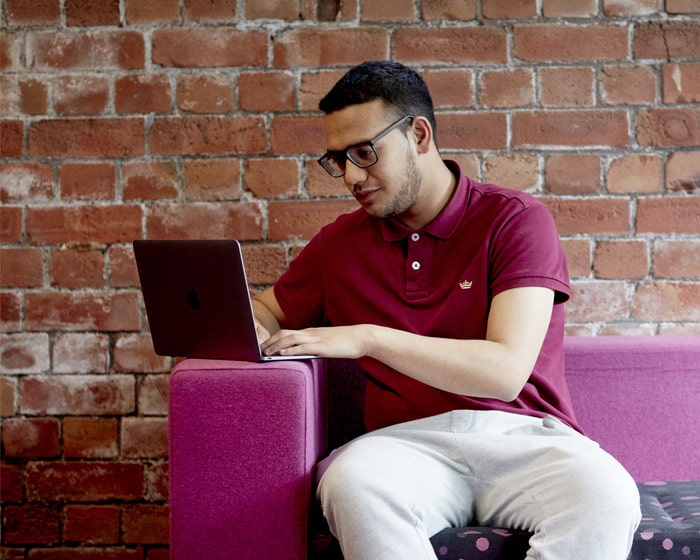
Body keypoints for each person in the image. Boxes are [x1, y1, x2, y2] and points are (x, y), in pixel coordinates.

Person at [252, 61, 641, 560]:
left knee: (606, 494)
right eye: (337, 160)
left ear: (418, 135)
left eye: (364, 153)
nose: (350, 175)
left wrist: (368, 338)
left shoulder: (515, 221)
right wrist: (246, 330)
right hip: (406, 448)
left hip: (526, 440)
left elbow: (503, 372)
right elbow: (264, 312)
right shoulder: (338, 246)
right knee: (351, 483)